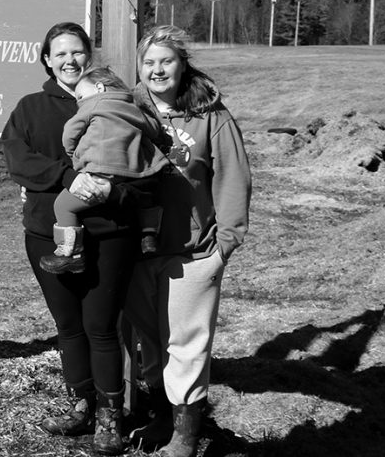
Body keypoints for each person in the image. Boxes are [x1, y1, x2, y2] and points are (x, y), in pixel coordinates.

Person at [1, 22, 140, 455]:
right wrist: (70, 177)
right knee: (68, 327)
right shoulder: (30, 109)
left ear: (89, 56)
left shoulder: (117, 105)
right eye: (59, 53)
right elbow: (19, 160)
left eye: (77, 52)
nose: (69, 60)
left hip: (109, 233)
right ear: (46, 60)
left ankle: (109, 417)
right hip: (47, 235)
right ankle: (81, 402)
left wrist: (111, 191)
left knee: (101, 327)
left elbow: (142, 165)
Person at [124, 25, 252, 457]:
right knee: (150, 341)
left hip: (194, 253)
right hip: (137, 252)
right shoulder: (125, 110)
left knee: (187, 346)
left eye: (166, 61)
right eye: (149, 62)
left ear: (182, 65)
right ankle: (161, 416)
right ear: (138, 69)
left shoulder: (211, 115)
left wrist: (225, 244)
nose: (157, 70)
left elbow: (233, 176)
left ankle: (186, 434)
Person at [43, 65, 168, 275]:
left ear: (99, 87)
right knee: (146, 201)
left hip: (101, 169)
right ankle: (149, 236)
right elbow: (154, 129)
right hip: (133, 174)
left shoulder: (94, 103)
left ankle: (70, 254)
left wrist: (74, 153)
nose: (79, 101)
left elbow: (69, 132)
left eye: (80, 95)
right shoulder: (133, 106)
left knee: (64, 205)